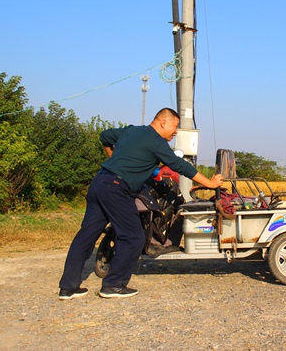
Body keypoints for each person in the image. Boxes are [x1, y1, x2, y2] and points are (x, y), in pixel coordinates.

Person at [58, 108, 224, 300]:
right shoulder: (156, 141)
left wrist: (112, 158)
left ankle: (68, 287)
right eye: (175, 126)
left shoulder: (132, 130)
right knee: (133, 237)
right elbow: (180, 165)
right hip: (116, 188)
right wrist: (210, 183)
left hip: (99, 183)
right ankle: (113, 285)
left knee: (86, 236)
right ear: (163, 123)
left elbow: (105, 136)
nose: (176, 131)